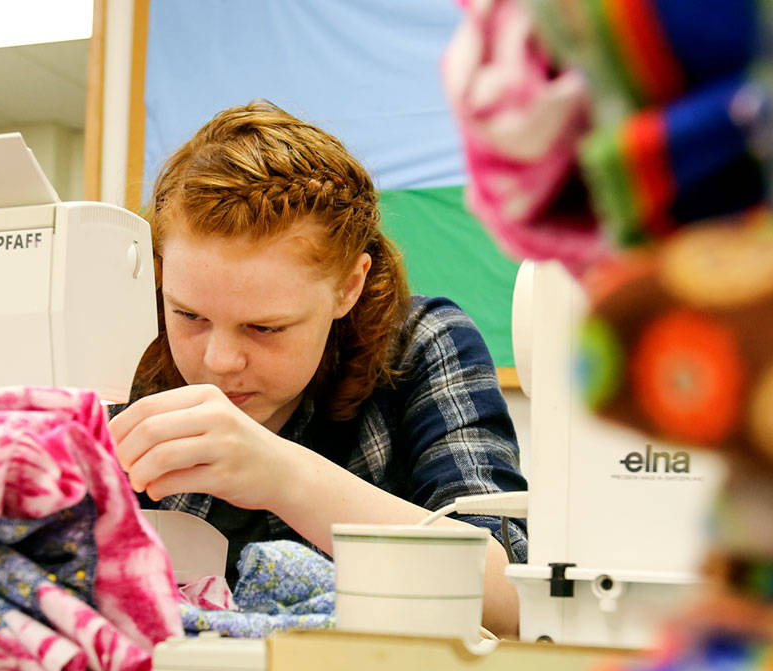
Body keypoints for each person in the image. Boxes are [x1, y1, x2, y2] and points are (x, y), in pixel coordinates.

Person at [108, 101, 527, 637]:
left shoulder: (424, 342)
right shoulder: (130, 349)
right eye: (189, 315)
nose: (218, 361)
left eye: (265, 328)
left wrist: (284, 477)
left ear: (348, 287)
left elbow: (515, 600)